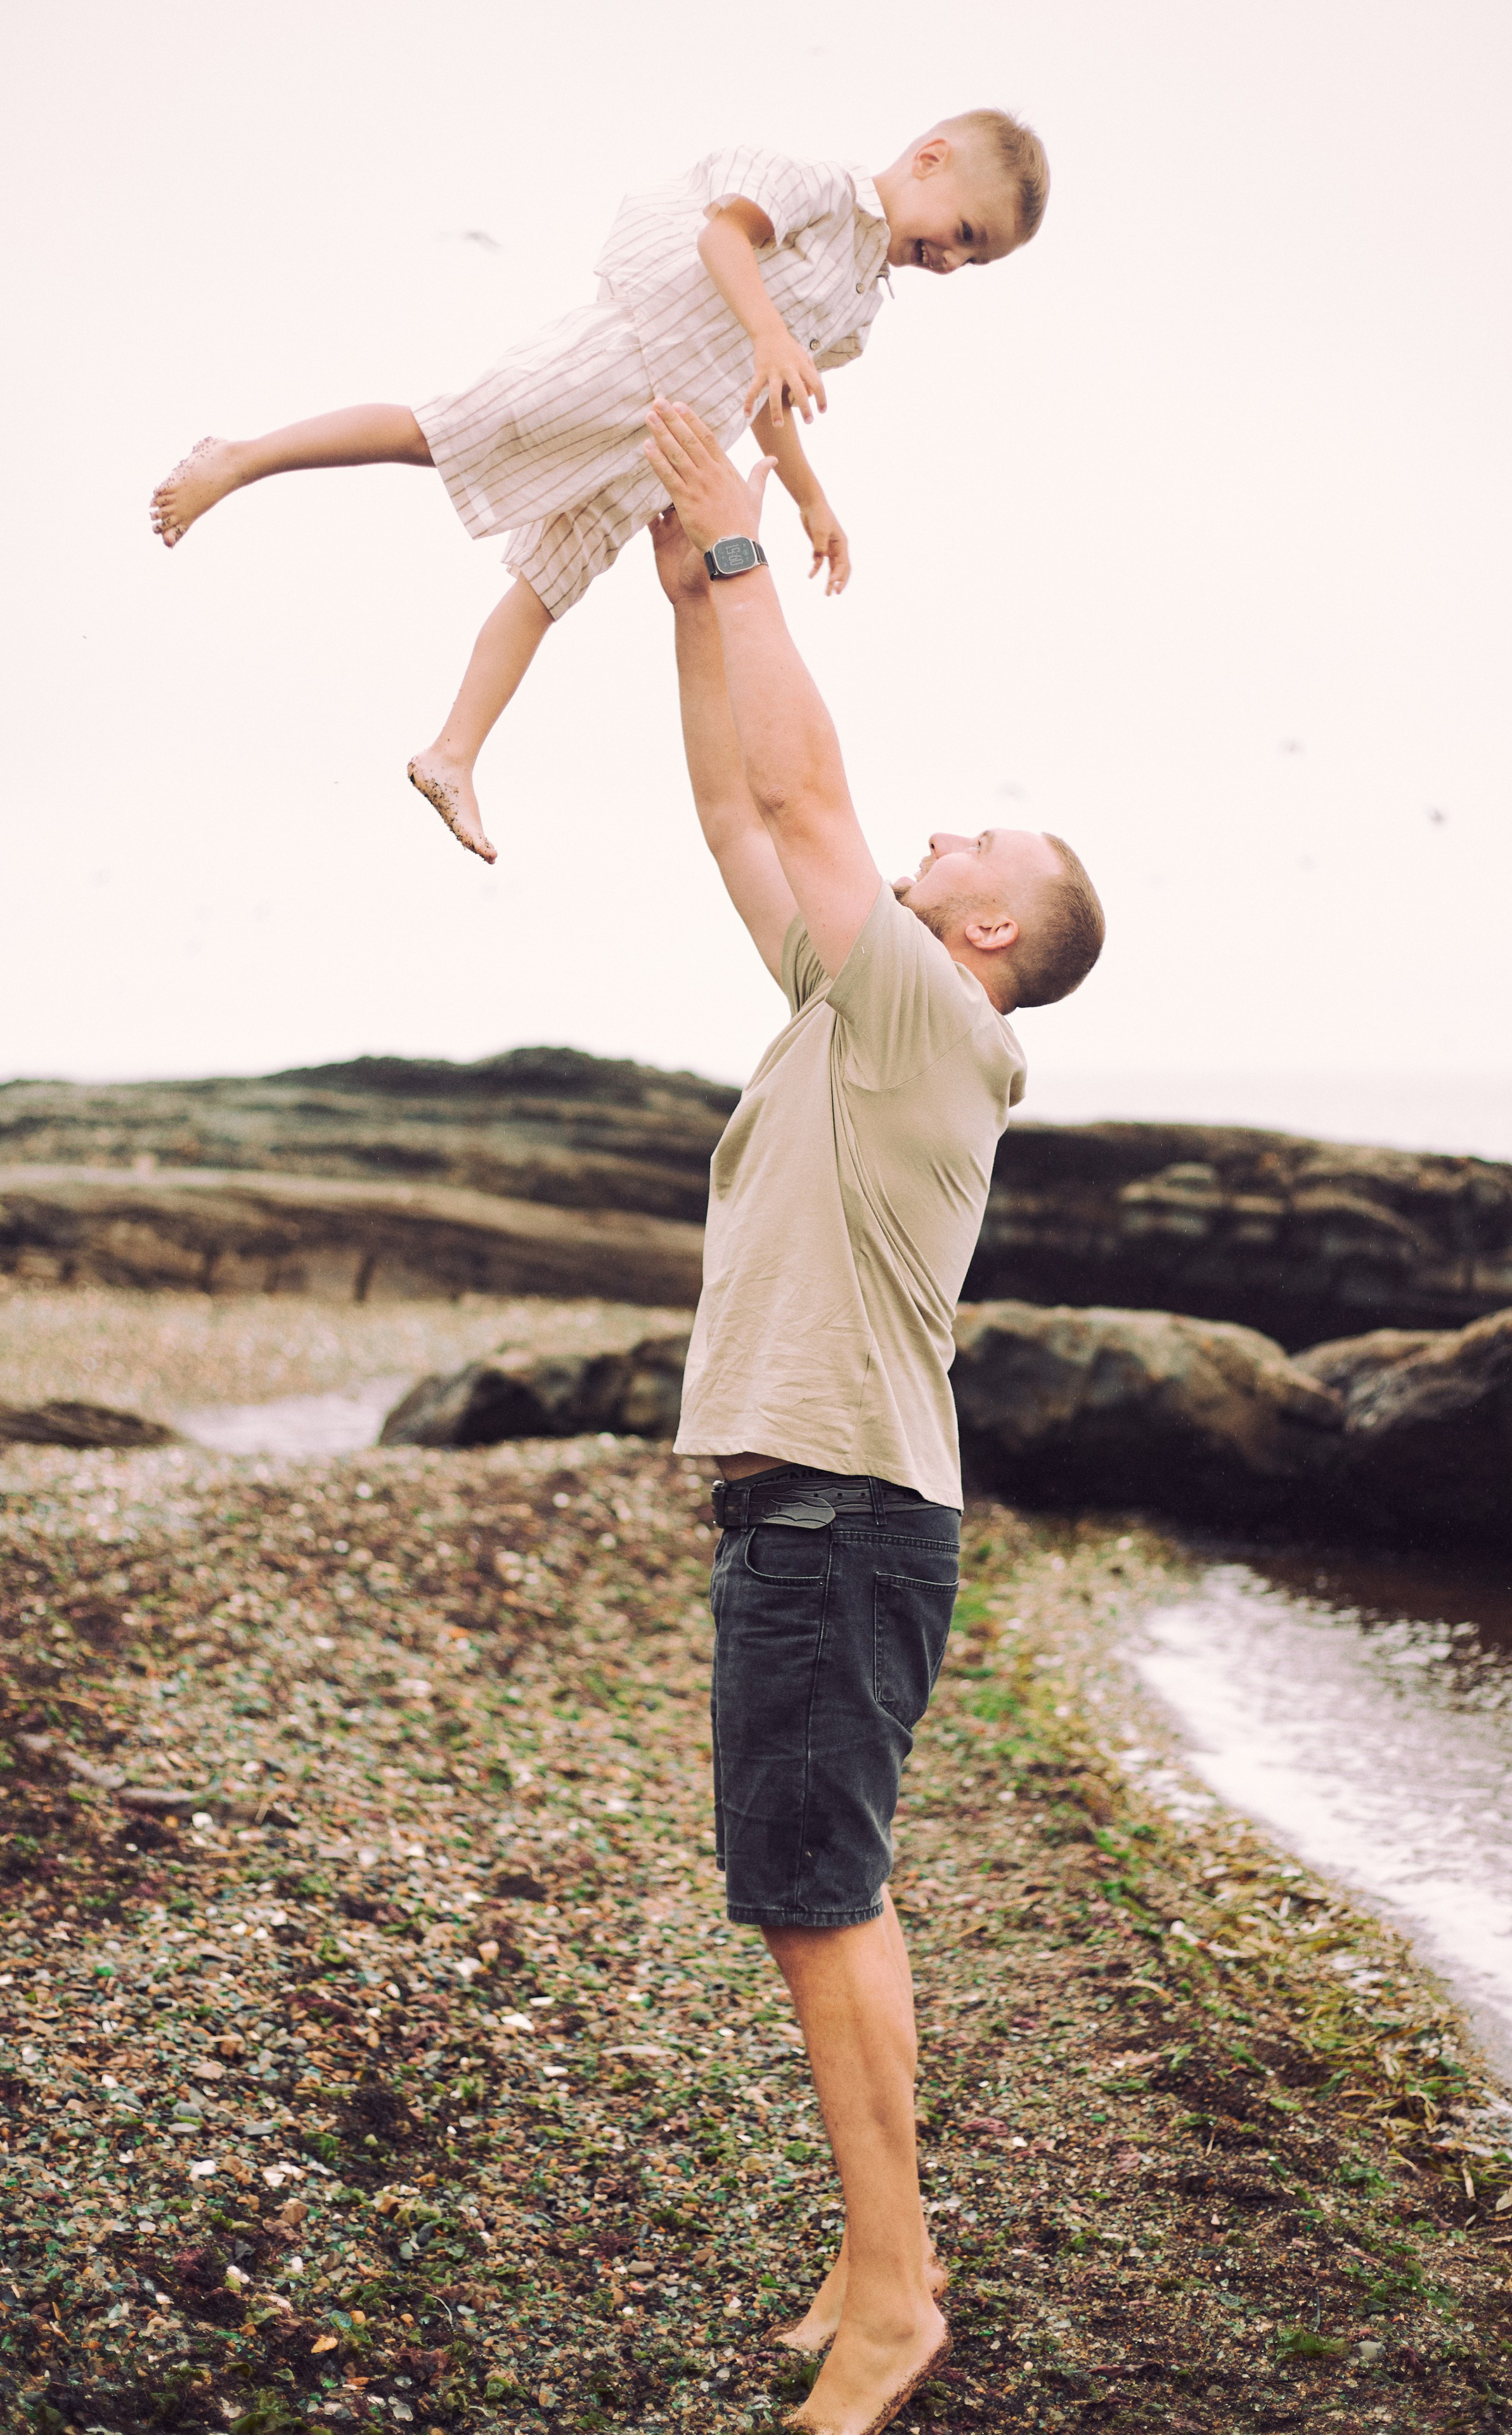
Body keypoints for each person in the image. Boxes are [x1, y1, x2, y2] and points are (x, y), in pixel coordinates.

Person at [643, 398, 1104, 2435]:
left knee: (822, 1900)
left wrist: (744, 547)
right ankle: (867, 2258)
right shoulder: (859, 1008)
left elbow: (808, 790)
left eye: (964, 853)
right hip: (812, 1514)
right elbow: (749, 826)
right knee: (805, 1894)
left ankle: (900, 2298)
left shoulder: (932, 1011)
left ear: (987, 930)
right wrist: (683, 599)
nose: (928, 848)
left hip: (839, 1514)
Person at [148, 111, 1049, 866]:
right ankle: (240, 458)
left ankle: (452, 752)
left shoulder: (858, 306)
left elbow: (770, 399)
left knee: (547, 586)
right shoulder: (820, 189)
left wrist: (813, 498)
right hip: (625, 359)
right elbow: (721, 234)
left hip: (664, 444)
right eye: (967, 234)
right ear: (930, 158)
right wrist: (771, 331)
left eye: (979, 261)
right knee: (440, 431)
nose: (955, 263)